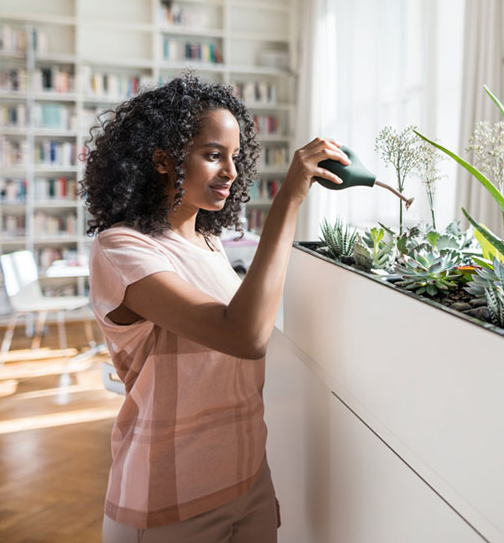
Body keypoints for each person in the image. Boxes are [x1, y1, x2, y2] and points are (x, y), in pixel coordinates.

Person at [79, 73, 349, 542]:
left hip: (248, 480)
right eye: (212, 154)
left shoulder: (209, 241)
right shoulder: (121, 248)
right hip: (168, 500)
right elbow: (243, 335)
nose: (231, 172)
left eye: (235, 157)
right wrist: (289, 198)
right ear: (163, 160)